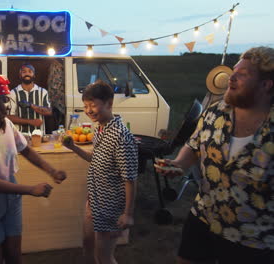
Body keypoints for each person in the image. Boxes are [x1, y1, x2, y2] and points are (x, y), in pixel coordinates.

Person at [156, 46, 274, 264]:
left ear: (266, 85)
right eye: (234, 70)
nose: (232, 76)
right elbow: (193, 146)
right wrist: (179, 164)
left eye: (243, 74)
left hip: (252, 236)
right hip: (204, 215)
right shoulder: (215, 113)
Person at [0, 73, 67, 264]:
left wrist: (51, 170)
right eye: (2, 101)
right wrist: (30, 190)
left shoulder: (6, 124)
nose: (6, 106)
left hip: (11, 190)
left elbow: (26, 149)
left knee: (14, 252)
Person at [62, 80, 138, 264]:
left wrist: (128, 213)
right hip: (95, 200)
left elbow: (130, 179)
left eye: (93, 105)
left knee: (103, 257)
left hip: (111, 206)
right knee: (87, 244)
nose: (88, 110)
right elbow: (94, 159)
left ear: (109, 103)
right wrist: (73, 148)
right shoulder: (100, 129)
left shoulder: (121, 136)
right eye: (85, 106)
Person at [8, 63, 52, 134]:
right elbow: (9, 117)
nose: (27, 74)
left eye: (30, 71)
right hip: (20, 135)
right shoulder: (13, 93)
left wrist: (31, 105)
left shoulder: (43, 92)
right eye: (24, 72)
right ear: (20, 75)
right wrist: (30, 122)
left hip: (39, 134)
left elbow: (49, 111)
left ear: (34, 75)